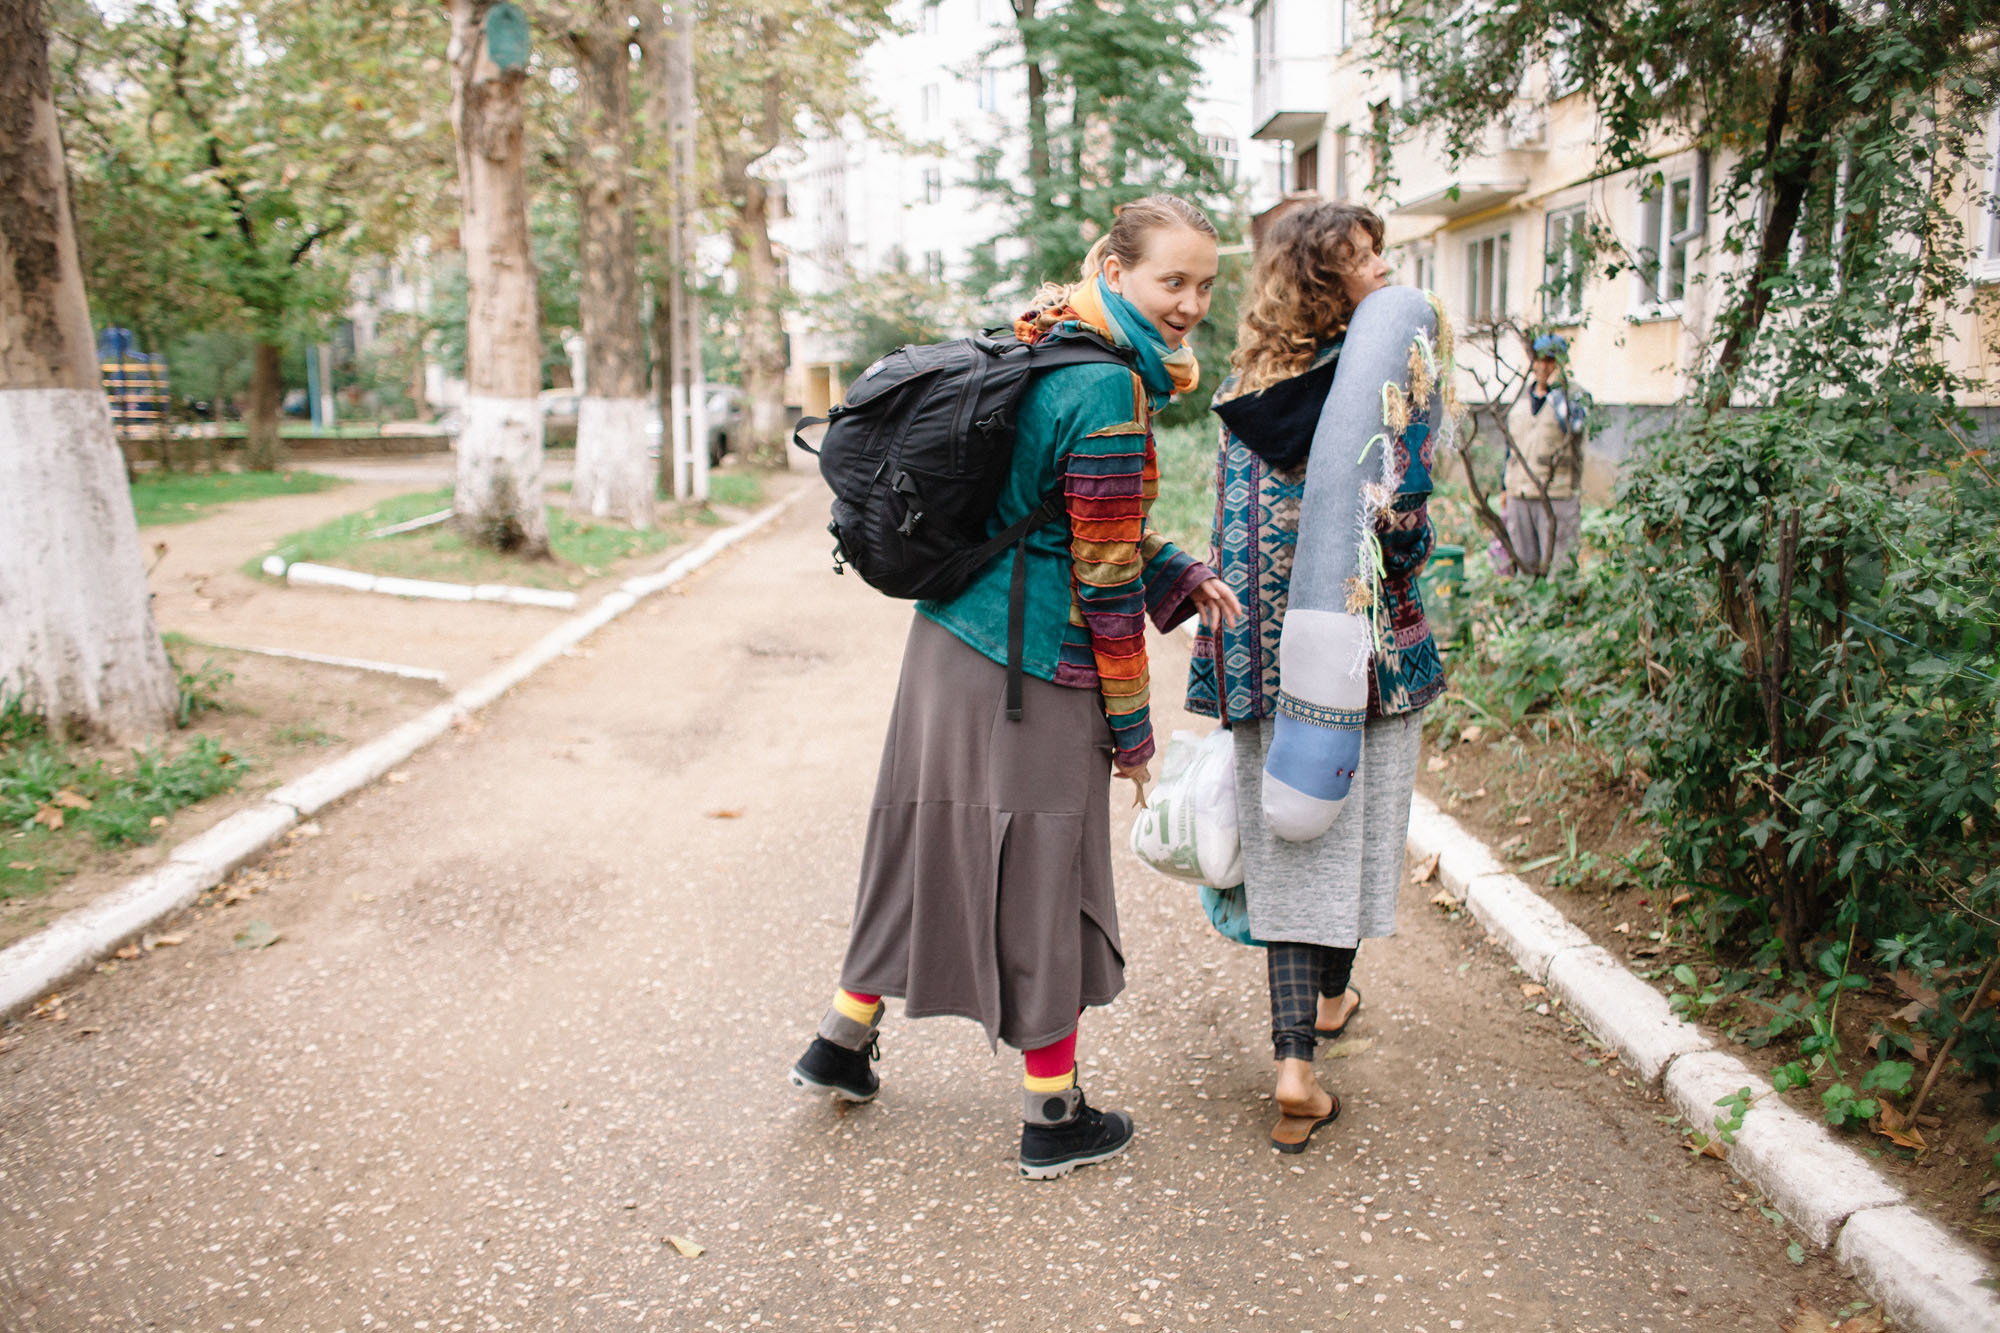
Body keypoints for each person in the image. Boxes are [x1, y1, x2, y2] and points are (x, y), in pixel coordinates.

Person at [790, 195, 1245, 1180]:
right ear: (1118, 271)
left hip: (945, 642)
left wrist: (1181, 571)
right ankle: (1053, 1112)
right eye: (1172, 280)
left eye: (1203, 285)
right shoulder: (1108, 391)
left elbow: (1062, 514)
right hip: (1032, 668)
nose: (1189, 303)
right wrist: (1133, 735)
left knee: (920, 837)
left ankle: (840, 1040)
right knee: (1046, 874)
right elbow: (1103, 573)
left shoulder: (1043, 337)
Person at [1188, 202, 1446, 1153]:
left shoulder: (1243, 387)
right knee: (1352, 829)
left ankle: (1307, 1036)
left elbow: (1230, 522)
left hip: (1258, 650)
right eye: (1360, 261)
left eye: (1380, 255)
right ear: (1324, 284)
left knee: (1293, 845)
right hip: (1367, 653)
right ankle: (1314, 1031)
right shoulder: (1381, 391)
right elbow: (1404, 529)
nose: (1381, 273)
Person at [1500, 332, 1587, 575]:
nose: (1544, 367)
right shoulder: (1520, 398)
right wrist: (1504, 488)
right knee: (1524, 566)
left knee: (1560, 567)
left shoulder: (1571, 399)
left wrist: (1559, 390)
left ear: (1560, 364)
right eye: (1539, 360)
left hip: (1557, 495)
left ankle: (1558, 612)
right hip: (1520, 493)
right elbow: (1510, 446)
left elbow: (1576, 426)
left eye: (1551, 361)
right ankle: (1527, 612)